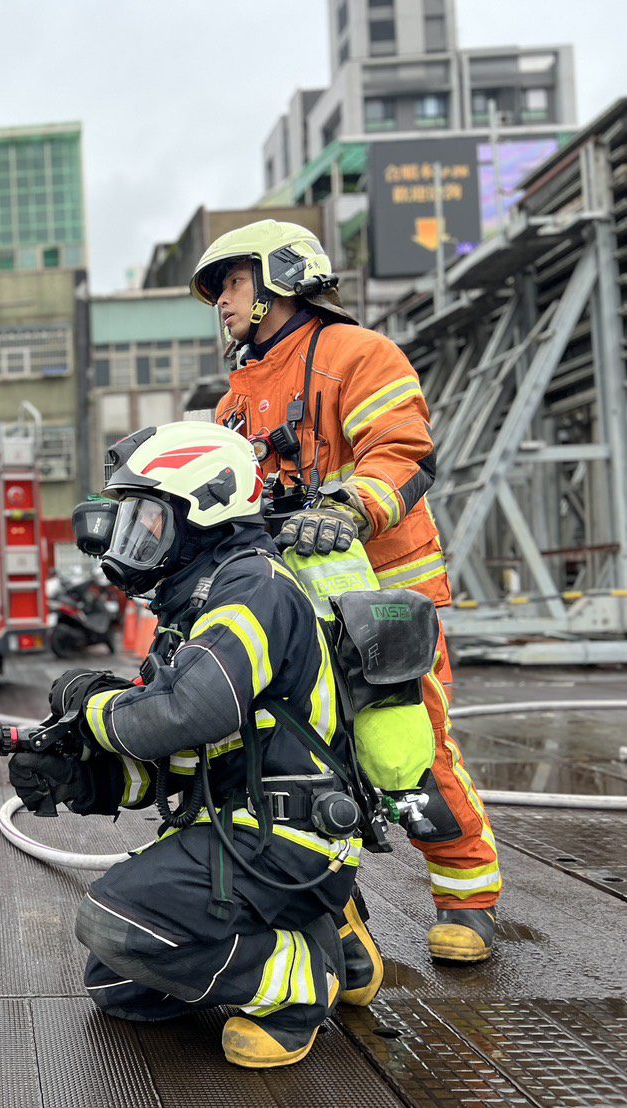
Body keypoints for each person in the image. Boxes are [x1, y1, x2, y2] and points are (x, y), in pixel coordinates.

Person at [9, 422, 382, 1069]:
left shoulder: (254, 589)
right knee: (118, 982)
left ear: (203, 506)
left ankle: (301, 983)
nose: (136, 540)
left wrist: (91, 707)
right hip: (237, 825)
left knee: (114, 921)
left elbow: (189, 711)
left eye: (147, 519)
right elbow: (182, 758)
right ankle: (318, 932)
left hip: (289, 836)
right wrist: (85, 780)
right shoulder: (195, 605)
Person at [189, 219, 500, 963]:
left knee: (409, 746)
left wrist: (346, 507)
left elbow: (401, 450)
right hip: (294, 603)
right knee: (301, 757)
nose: (223, 303)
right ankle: (336, 907)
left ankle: (469, 898)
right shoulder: (233, 399)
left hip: (388, 596)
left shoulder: (358, 355)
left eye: (232, 284)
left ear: (279, 279)